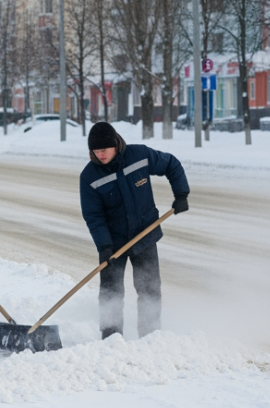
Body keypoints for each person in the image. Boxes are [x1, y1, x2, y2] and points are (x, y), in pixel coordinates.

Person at [80, 121, 189, 340]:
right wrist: (104, 245)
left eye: (104, 150)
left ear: (115, 144)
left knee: (149, 289)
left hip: (145, 234)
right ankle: (111, 338)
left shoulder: (139, 155)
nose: (100, 155)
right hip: (113, 241)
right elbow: (94, 216)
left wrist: (181, 194)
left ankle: (150, 336)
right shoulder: (89, 177)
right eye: (96, 151)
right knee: (111, 292)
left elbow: (171, 164)